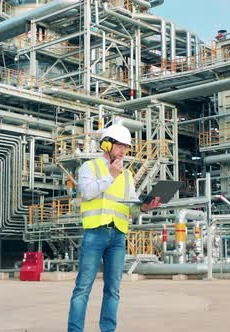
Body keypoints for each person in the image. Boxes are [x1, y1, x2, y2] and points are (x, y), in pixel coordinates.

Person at [68, 124, 160, 332]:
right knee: (83, 288)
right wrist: (110, 175)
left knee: (113, 290)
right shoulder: (89, 168)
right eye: (120, 146)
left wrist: (145, 207)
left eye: (126, 148)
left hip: (118, 236)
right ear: (107, 144)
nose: (123, 152)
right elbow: (88, 192)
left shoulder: (127, 175)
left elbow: (131, 208)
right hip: (95, 233)